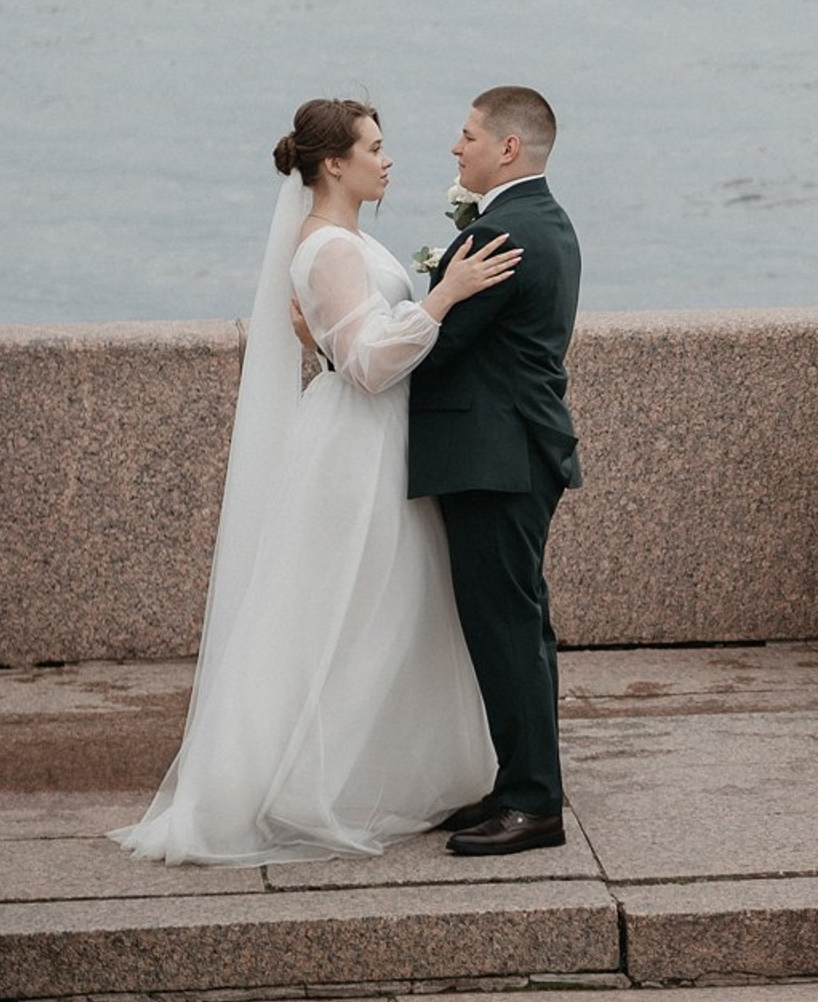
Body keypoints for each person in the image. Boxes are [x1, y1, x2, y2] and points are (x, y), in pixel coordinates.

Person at [114, 101, 520, 865]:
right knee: (351, 613)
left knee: (385, 612)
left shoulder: (344, 241)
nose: (388, 160)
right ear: (334, 164)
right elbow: (366, 366)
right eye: (374, 147)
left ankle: (376, 773)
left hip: (378, 436)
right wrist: (446, 293)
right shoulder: (330, 246)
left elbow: (346, 343)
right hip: (359, 447)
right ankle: (304, 787)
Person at [411, 86, 583, 856]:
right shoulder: (546, 220)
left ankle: (533, 804)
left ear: (508, 148)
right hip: (519, 451)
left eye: (469, 134)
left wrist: (352, 343)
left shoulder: (500, 235)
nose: (457, 147)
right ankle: (521, 783)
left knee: (506, 628)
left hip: (494, 458)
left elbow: (434, 347)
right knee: (520, 625)